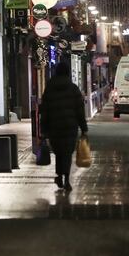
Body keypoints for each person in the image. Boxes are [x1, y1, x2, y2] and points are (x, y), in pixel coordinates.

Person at [40, 61, 88, 192]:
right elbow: (80, 110)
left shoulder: (49, 88)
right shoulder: (73, 89)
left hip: (54, 127)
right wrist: (83, 128)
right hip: (70, 127)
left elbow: (44, 110)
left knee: (59, 153)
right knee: (67, 153)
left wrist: (43, 129)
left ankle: (59, 175)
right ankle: (66, 179)